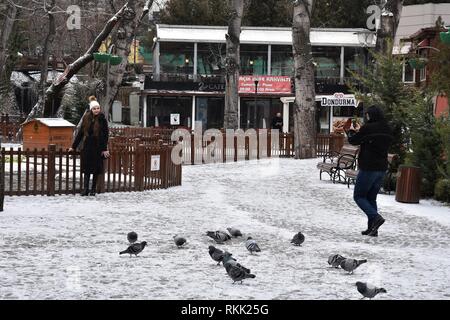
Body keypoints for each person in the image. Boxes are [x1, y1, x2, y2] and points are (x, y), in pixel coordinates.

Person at [346, 105, 393, 237]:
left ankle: (376, 218)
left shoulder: (368, 128)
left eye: (367, 115)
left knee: (359, 196)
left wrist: (350, 132)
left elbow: (354, 141)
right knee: (371, 198)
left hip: (368, 167)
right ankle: (373, 229)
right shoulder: (387, 128)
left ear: (370, 115)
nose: (366, 117)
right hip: (381, 168)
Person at [69, 96, 109, 196]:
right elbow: (80, 134)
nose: (96, 110)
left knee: (95, 169)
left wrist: (104, 148)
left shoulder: (102, 119)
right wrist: (73, 146)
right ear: (91, 109)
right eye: (94, 108)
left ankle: (93, 189)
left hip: (98, 146)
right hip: (87, 147)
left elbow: (105, 135)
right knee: (86, 169)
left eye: (98, 108)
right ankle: (85, 189)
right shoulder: (86, 118)